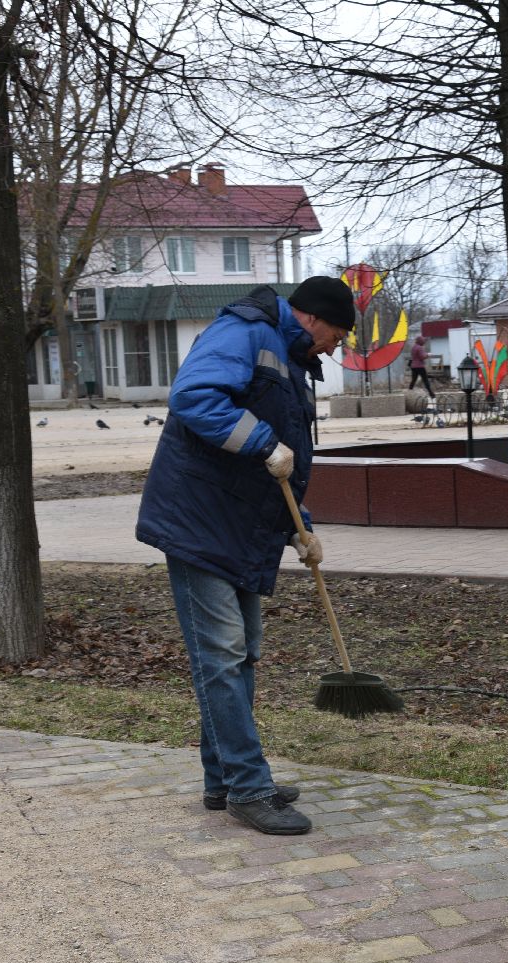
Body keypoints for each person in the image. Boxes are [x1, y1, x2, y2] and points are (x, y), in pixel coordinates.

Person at [135, 277, 356, 835]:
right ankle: (248, 788)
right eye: (338, 334)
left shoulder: (290, 360)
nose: (336, 347)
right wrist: (260, 441)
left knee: (241, 654)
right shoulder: (244, 333)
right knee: (223, 655)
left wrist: (299, 528)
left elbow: (279, 470)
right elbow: (193, 398)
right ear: (313, 319)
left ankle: (223, 780)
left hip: (238, 526)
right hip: (200, 520)